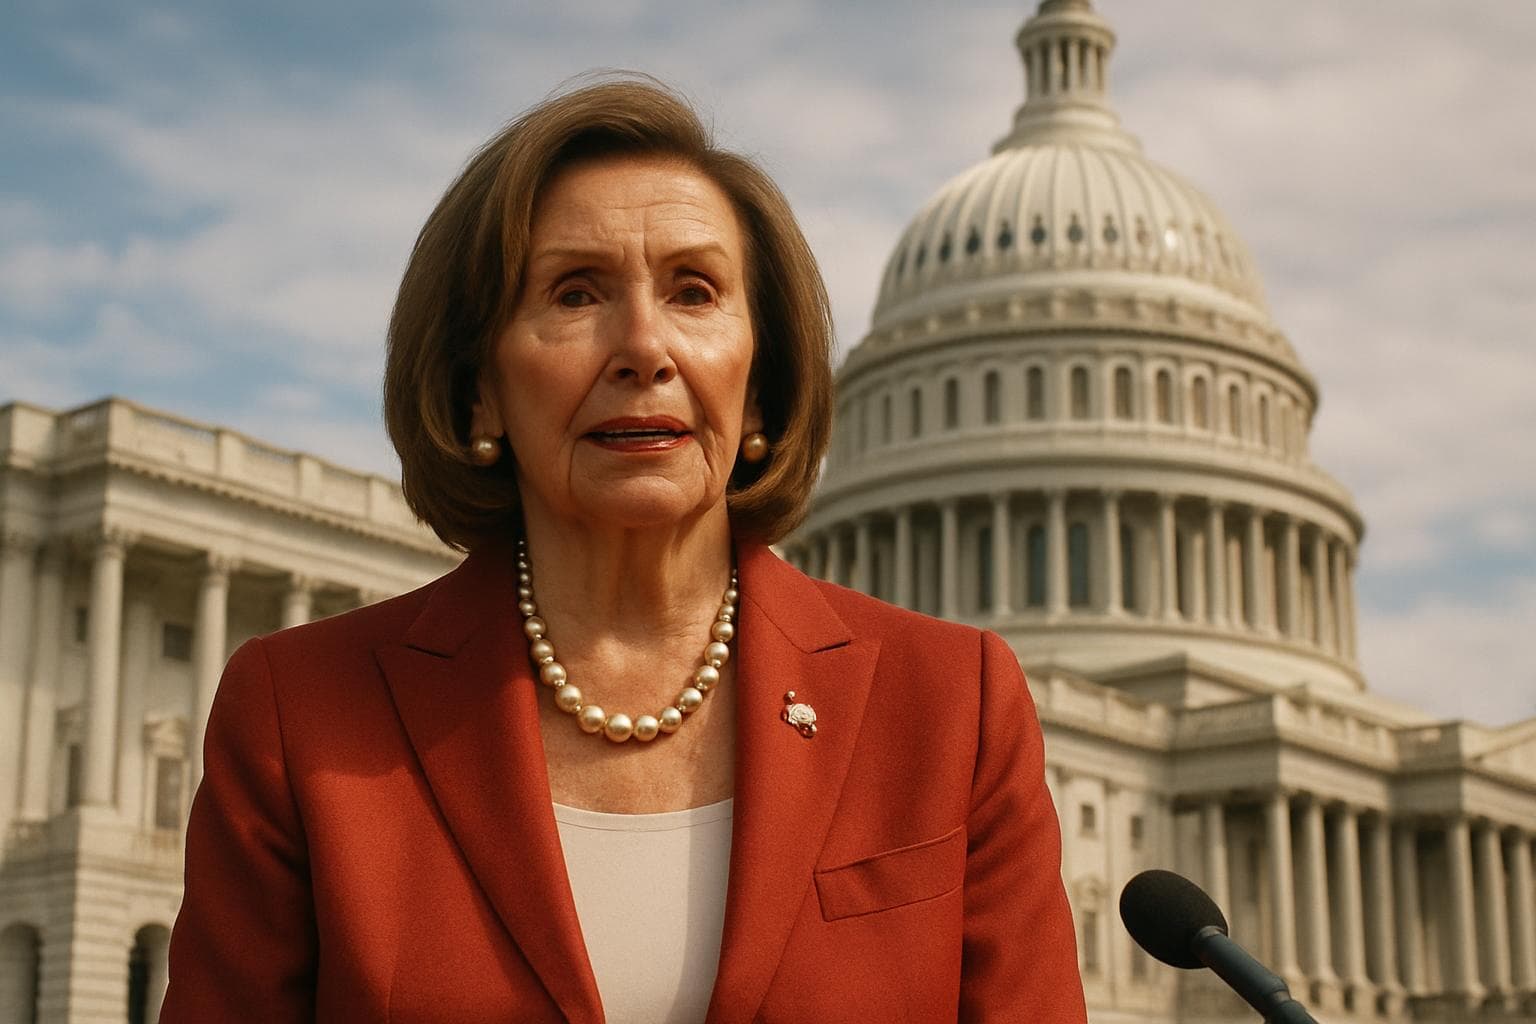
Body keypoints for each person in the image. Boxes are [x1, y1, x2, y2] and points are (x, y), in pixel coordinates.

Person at [160, 75, 1086, 1023]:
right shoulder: (304, 715)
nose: (645, 347)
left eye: (695, 291)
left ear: (761, 387)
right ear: (480, 391)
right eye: (575, 293)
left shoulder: (949, 706)